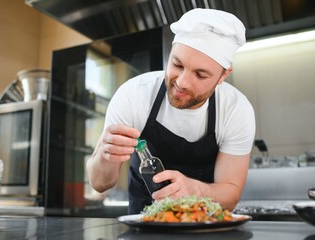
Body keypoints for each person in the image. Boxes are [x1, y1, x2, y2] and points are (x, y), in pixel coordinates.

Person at [86, 8, 256, 214]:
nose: (182, 82)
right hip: (144, 223)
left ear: (223, 76)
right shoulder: (134, 95)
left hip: (206, 227)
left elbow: (230, 196)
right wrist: (104, 156)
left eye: (200, 75)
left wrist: (195, 189)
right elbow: (99, 184)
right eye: (177, 64)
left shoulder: (235, 110)